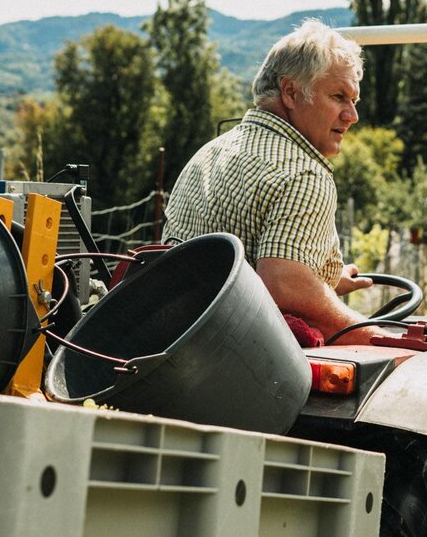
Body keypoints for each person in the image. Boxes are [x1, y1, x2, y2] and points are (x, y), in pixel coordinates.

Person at [163, 19, 381, 345]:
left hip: (173, 338)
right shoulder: (303, 174)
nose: (352, 115)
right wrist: (381, 338)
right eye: (339, 96)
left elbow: (237, 261)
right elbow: (285, 290)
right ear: (290, 92)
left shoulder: (208, 154)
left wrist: (323, 279)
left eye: (354, 101)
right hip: (238, 359)